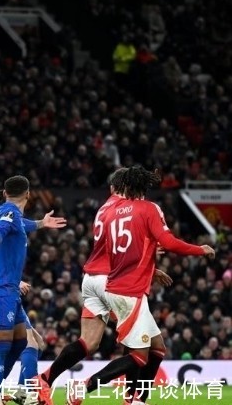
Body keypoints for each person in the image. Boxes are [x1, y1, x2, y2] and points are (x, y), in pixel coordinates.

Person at [64, 166, 215, 405]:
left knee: (157, 348)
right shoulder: (149, 208)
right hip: (130, 291)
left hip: (116, 285)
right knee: (138, 356)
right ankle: (85, 386)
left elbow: (123, 250)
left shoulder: (114, 213)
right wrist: (200, 249)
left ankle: (137, 400)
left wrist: (151, 265)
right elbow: (168, 241)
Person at [37, 168, 170, 405]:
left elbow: (114, 245)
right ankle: (129, 398)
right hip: (116, 280)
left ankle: (45, 379)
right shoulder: (129, 208)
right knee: (143, 345)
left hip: (92, 278)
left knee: (88, 342)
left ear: (111, 188)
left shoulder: (104, 209)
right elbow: (129, 244)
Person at [0, 190, 63, 403]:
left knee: (30, 341)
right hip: (0, 292)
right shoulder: (0, 232)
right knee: (28, 343)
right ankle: (19, 391)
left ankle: (3, 389)